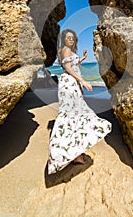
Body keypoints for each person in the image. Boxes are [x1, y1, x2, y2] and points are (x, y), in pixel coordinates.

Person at [48, 29, 112, 173]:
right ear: (64, 39)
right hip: (69, 83)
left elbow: (73, 64)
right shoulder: (64, 50)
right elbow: (68, 68)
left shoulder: (69, 52)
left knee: (75, 115)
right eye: (68, 38)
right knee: (70, 116)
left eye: (73, 38)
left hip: (72, 83)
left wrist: (82, 58)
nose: (71, 40)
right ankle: (63, 153)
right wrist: (83, 81)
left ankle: (75, 151)